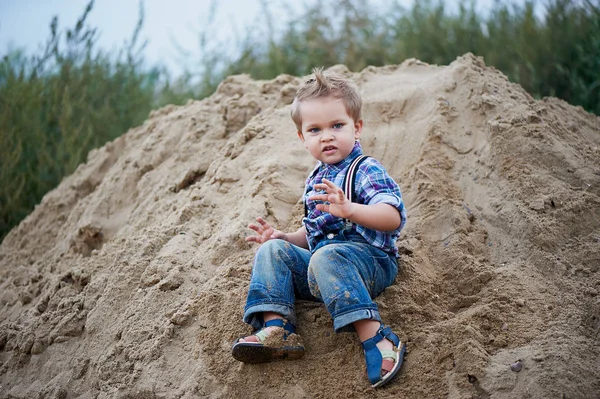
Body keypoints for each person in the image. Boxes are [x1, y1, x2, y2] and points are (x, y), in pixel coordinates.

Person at [231, 67, 407, 388]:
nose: (327, 136)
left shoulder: (365, 169)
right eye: (315, 130)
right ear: (302, 137)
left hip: (371, 263)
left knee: (327, 257)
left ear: (357, 128)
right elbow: (314, 235)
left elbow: (391, 216)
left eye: (337, 126)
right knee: (273, 251)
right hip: (325, 266)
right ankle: (277, 329)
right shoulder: (316, 178)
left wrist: (351, 209)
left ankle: (377, 336)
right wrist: (285, 238)